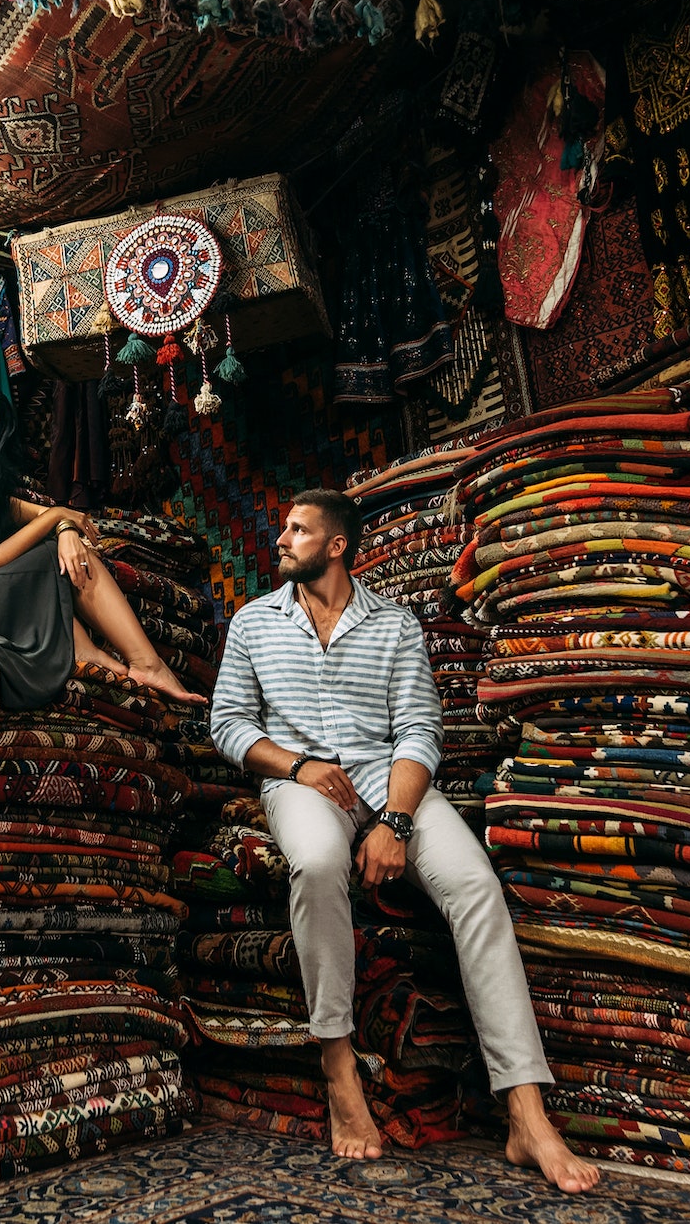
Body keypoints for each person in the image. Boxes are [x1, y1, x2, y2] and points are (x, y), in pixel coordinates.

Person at [209, 488, 601, 1194]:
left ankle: (525, 1111)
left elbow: (421, 730)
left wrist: (394, 820)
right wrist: (299, 766)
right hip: (301, 784)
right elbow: (229, 725)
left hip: (390, 783)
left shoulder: (394, 625)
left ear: (336, 545)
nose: (280, 539)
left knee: (476, 886)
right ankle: (337, 1061)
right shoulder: (253, 623)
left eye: (297, 530)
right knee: (320, 861)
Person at [0, 370, 203, 708]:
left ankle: (91, 656)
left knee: (58, 552)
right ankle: (146, 664)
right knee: (50, 557)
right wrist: (58, 519)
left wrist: (64, 528)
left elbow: (31, 513)